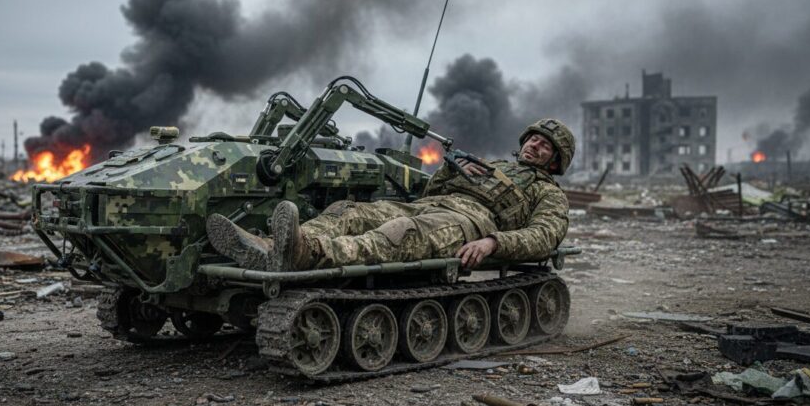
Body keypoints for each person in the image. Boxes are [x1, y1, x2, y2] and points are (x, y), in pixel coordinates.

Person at [207, 118, 574, 272]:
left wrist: (495, 242)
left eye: (545, 146)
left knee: (401, 233)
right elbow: (431, 192)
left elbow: (544, 235)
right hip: (432, 204)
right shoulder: (491, 164)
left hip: (473, 222)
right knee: (352, 211)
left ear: (556, 161)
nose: (535, 146)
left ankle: (309, 253)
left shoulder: (548, 192)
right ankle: (275, 246)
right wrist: (449, 169)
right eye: (533, 139)